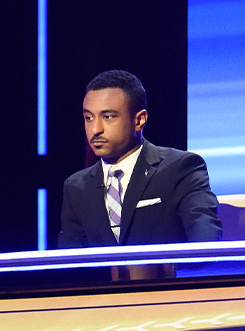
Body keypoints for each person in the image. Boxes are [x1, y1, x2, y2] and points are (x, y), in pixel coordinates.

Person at [57, 70, 222, 248]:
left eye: (108, 117)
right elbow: (70, 264)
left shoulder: (181, 169)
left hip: (166, 276)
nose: (95, 129)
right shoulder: (76, 187)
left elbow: (205, 239)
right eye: (88, 118)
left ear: (139, 120)